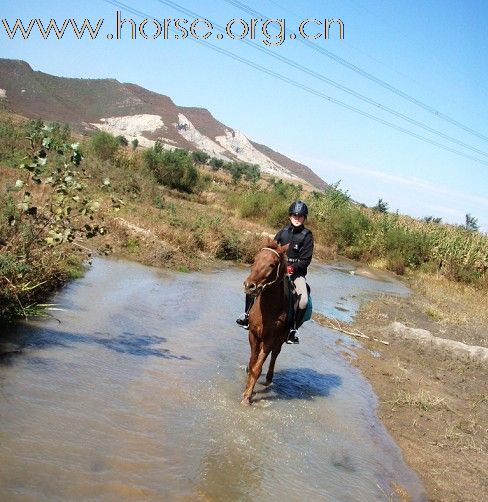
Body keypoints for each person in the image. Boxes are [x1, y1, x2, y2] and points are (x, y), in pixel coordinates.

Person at [236, 200, 314, 344]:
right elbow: (271, 250)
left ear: (304, 218)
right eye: (294, 215)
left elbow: (306, 260)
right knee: (253, 284)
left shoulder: (307, 235)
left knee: (303, 301)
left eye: (300, 216)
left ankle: (292, 330)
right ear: (290, 216)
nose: (297, 218)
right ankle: (247, 316)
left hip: (296, 274)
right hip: (278, 271)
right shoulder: (282, 232)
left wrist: (292, 268)